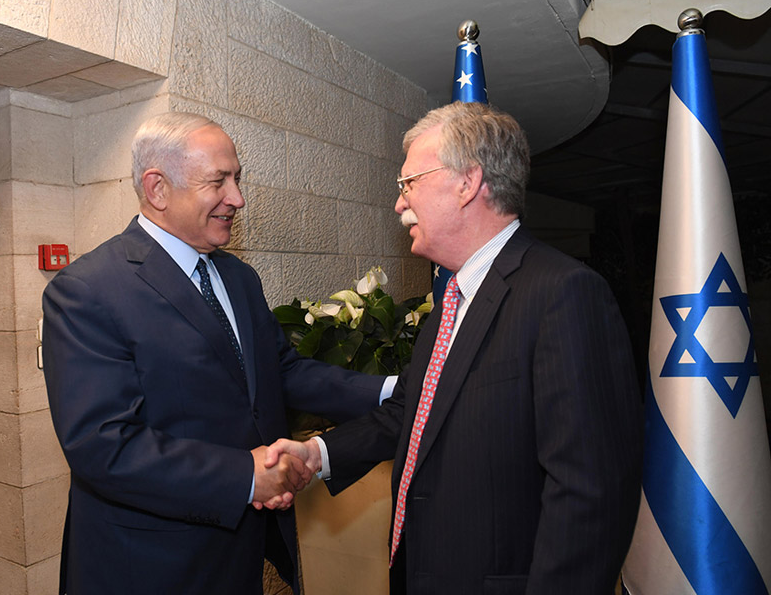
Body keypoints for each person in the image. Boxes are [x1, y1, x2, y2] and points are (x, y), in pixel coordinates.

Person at [267, 101, 643, 594]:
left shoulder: (563, 293)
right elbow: (414, 412)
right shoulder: (452, 299)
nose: (399, 204)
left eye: (409, 183)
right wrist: (317, 454)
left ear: (467, 183)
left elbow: (589, 496)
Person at [41, 111, 390, 595]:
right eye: (218, 181)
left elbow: (281, 372)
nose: (238, 199)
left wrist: (396, 390)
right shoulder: (87, 290)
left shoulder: (238, 278)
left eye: (238, 178)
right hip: (148, 566)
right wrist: (246, 476)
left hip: (238, 551)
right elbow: (104, 446)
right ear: (158, 188)